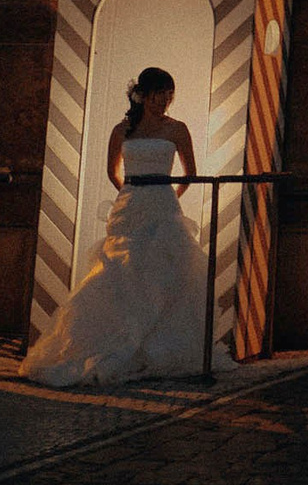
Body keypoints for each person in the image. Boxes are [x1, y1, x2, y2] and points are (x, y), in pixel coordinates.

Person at [19, 66, 226, 387]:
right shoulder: (123, 129)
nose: (163, 102)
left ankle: (158, 348)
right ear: (142, 95)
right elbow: (111, 170)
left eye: (168, 96)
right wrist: (129, 194)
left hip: (163, 205)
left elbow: (189, 173)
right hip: (130, 205)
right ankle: (112, 342)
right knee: (119, 274)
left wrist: (167, 195)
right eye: (158, 95)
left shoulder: (178, 129)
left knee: (164, 273)